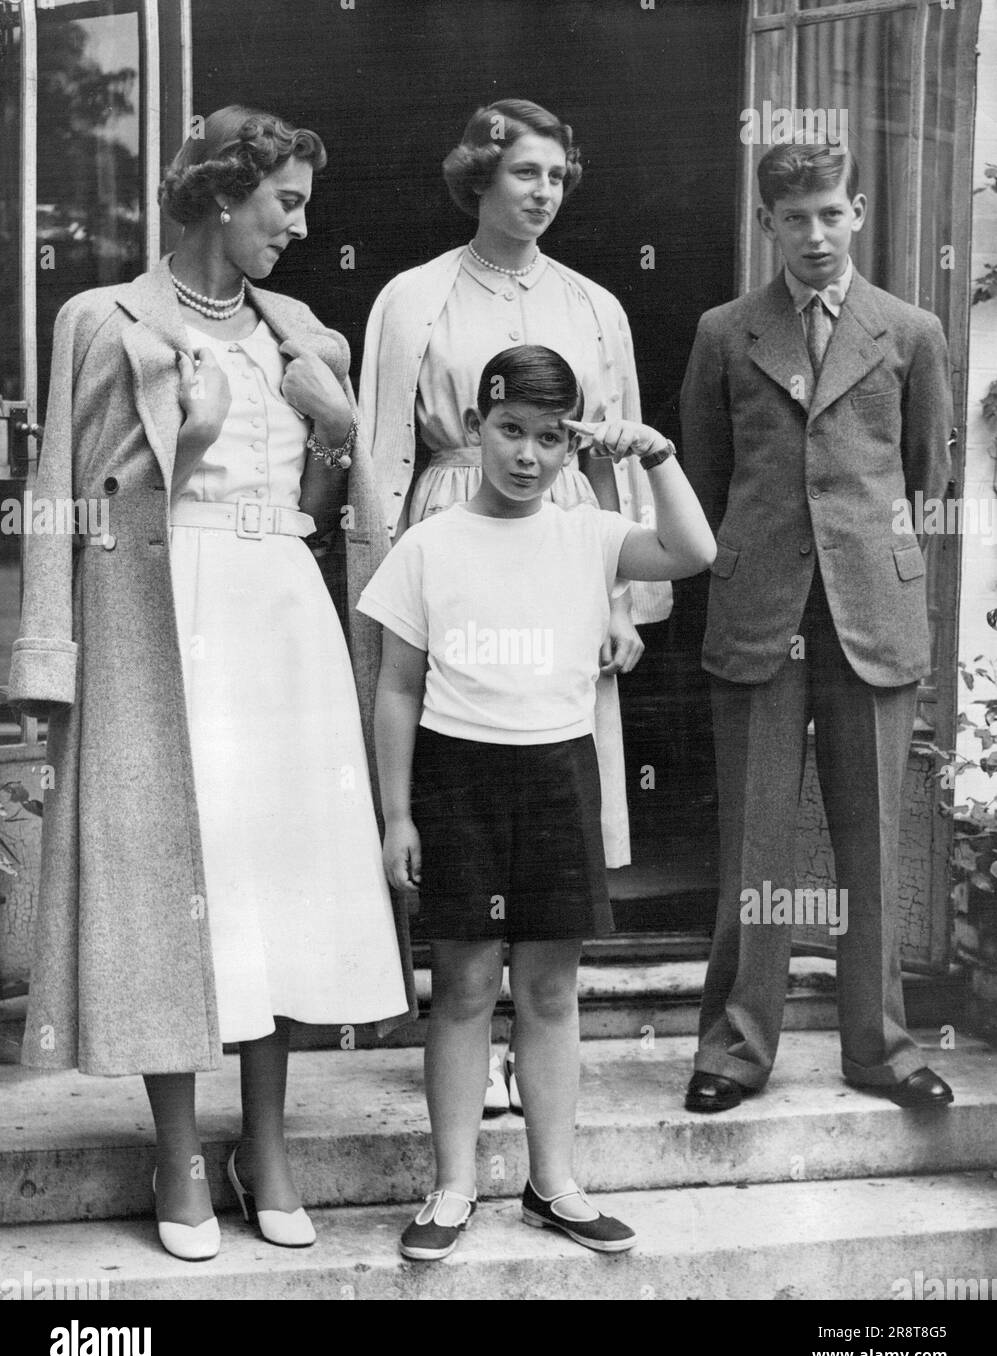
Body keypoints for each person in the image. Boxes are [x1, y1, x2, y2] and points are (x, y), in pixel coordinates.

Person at [9, 106, 413, 1261]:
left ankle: (267, 1145)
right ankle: (179, 1149)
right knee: (178, 891)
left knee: (278, 881)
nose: (298, 226)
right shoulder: (104, 318)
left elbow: (326, 515)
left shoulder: (304, 333)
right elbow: (66, 501)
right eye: (284, 202)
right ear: (223, 196)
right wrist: (51, 659)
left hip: (279, 612)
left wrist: (335, 437)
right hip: (163, 618)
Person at [357, 345, 715, 1260]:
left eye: (550, 438)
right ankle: (451, 1186)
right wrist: (398, 814)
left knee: (552, 989)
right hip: (457, 776)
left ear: (571, 446)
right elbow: (397, 686)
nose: (526, 455)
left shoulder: (589, 532)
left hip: (557, 773)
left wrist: (655, 456)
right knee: (467, 985)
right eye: (509, 431)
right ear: (476, 428)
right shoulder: (429, 544)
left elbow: (691, 550)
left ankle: (552, 1183)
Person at [360, 97, 671, 1110]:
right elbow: (381, 449)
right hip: (450, 526)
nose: (542, 194)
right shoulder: (413, 297)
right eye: (524, 173)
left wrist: (623, 599)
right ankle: (457, 1026)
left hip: (564, 538)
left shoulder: (592, 305)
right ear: (480, 177)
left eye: (556, 178)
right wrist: (382, 582)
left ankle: (532, 1039)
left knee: (548, 795)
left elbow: (619, 459)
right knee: (457, 779)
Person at [679, 142, 954, 1114]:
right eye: (793, 218)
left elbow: (928, 483)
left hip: (869, 613)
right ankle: (735, 1045)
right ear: (767, 223)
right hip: (760, 611)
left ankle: (879, 1048)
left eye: (830, 213)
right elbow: (701, 485)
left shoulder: (911, 332)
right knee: (754, 839)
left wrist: (867, 562)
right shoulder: (725, 332)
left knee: (870, 837)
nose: (814, 235)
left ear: (860, 211)